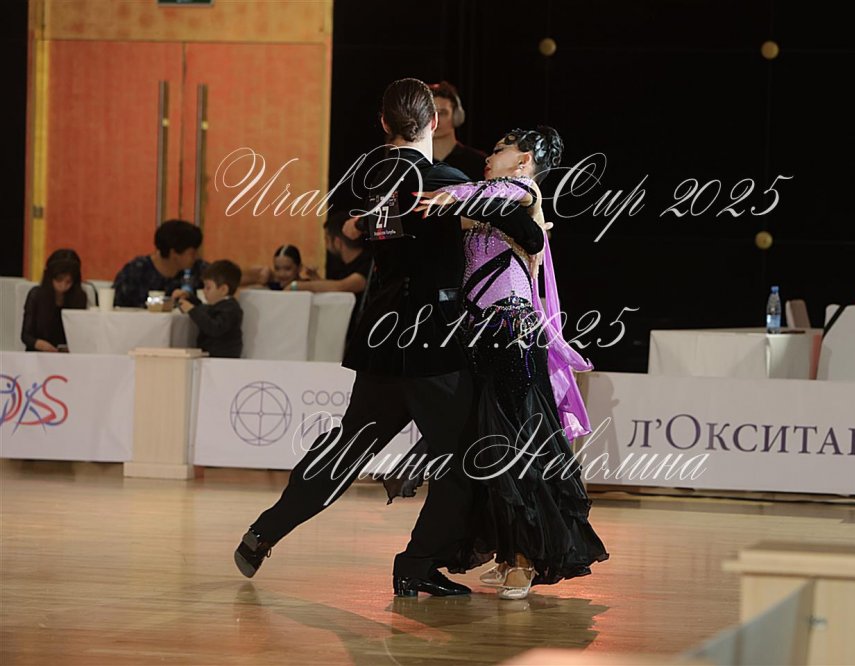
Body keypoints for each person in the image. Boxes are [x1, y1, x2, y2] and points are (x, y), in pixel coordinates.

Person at [233, 78, 545, 597]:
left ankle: (263, 533)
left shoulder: (369, 178)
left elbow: (350, 229)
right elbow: (529, 234)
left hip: (380, 342)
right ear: (433, 123)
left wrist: (361, 226)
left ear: (383, 123)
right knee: (468, 460)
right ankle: (416, 564)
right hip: (433, 345)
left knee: (345, 451)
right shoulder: (444, 180)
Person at [396, 127, 608, 600]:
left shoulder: (521, 190)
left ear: (524, 159)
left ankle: (525, 559)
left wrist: (449, 194)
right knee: (490, 449)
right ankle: (509, 553)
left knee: (517, 446)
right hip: (480, 335)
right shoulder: (488, 202)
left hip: (512, 331)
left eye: (499, 150)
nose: (488, 157)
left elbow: (494, 195)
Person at [112, 219, 208, 307]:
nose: (197, 256)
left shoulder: (201, 272)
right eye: (192, 253)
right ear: (174, 253)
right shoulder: (135, 273)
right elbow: (114, 307)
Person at [21, 250, 88, 352]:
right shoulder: (36, 295)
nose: (63, 286)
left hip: (66, 356)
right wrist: (41, 345)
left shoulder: (80, 298)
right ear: (50, 277)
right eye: (59, 280)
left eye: (68, 282)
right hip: (38, 354)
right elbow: (26, 336)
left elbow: (80, 333)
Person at [177, 260, 244, 359]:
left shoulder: (231, 309)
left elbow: (214, 327)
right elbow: (203, 309)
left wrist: (192, 310)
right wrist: (189, 298)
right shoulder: (218, 306)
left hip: (223, 358)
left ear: (223, 289)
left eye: (208, 288)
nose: (204, 291)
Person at [430, 81, 487, 178]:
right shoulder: (414, 162)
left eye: (442, 113)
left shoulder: (479, 162)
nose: (435, 119)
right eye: (429, 113)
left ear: (456, 115)